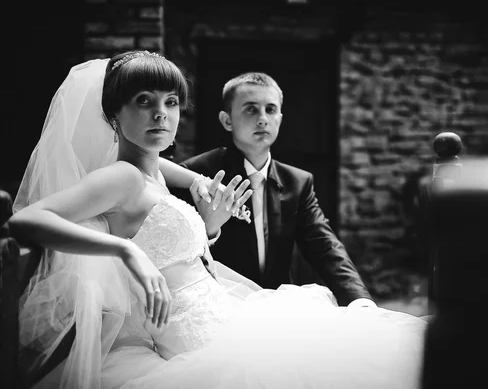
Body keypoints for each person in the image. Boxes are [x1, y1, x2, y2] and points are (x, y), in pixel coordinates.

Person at [9, 51, 427, 389]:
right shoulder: (120, 176)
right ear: (113, 115)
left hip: (221, 315)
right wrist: (123, 250)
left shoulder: (154, 168)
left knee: (347, 349)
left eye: (170, 102)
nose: (160, 114)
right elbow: (26, 220)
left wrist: (209, 221)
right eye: (144, 101)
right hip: (192, 344)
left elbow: (186, 217)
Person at [175, 72, 374, 307]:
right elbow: (181, 254)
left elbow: (325, 247)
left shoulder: (298, 182)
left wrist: (359, 299)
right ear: (227, 120)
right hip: (219, 305)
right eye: (251, 109)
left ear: (280, 117)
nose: (262, 119)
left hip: (278, 308)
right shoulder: (196, 174)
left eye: (270, 110)